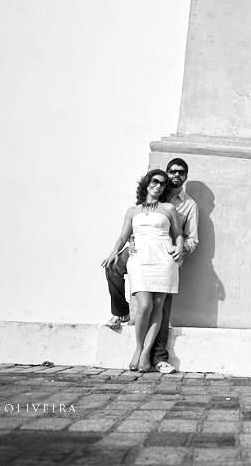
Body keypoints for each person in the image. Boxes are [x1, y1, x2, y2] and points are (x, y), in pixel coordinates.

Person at [103, 158, 199, 374]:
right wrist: (116, 251)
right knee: (138, 298)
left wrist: (180, 248)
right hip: (140, 253)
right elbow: (124, 234)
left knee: (159, 307)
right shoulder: (135, 209)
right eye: (171, 172)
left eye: (181, 172)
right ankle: (122, 314)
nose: (174, 176)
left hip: (165, 255)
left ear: (185, 176)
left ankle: (153, 356)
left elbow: (185, 236)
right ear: (147, 183)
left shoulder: (183, 206)